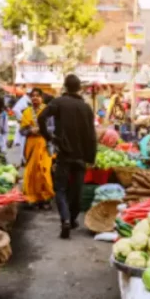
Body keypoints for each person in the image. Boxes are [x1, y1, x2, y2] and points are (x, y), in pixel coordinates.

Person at [37, 74, 97, 239]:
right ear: (79, 88)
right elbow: (92, 135)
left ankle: (65, 219)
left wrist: (49, 137)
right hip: (81, 156)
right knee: (77, 190)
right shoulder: (86, 107)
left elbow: (41, 117)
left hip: (64, 153)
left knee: (61, 189)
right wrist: (91, 157)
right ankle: (72, 218)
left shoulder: (58, 102)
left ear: (65, 86)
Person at [21, 88, 54, 209]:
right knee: (31, 172)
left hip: (45, 143)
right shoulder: (26, 112)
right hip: (31, 145)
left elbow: (53, 127)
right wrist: (30, 130)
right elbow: (22, 130)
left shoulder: (48, 110)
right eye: (33, 96)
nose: (35, 98)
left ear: (42, 98)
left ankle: (45, 198)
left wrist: (41, 129)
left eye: (37, 96)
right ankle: (32, 198)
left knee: (44, 171)